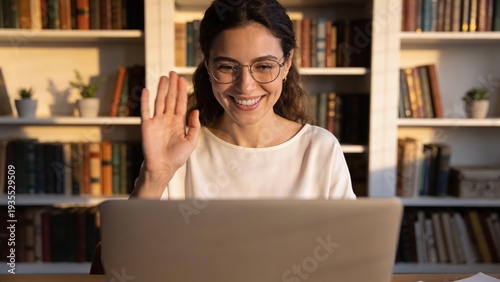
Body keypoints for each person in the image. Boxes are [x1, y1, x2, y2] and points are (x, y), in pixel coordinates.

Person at [131, 0, 356, 200]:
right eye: (227, 67)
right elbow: (128, 247)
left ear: (287, 64)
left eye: (264, 66)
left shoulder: (319, 149)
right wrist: (155, 175)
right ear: (208, 67)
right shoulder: (179, 151)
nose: (245, 86)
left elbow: (347, 244)